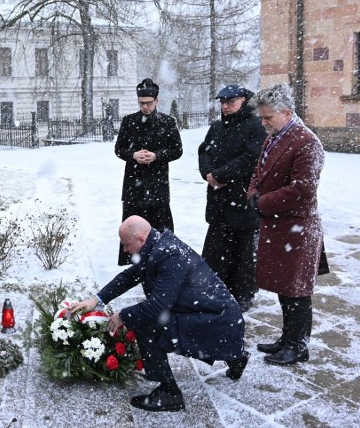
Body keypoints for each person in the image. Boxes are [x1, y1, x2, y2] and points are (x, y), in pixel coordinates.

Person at [71, 216, 249, 412]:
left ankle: (169, 393)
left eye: (126, 244)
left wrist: (123, 316)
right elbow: (129, 276)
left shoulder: (168, 254)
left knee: (146, 323)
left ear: (140, 239)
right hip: (217, 316)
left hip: (219, 319)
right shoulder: (156, 245)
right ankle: (235, 356)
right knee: (147, 316)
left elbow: (157, 307)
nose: (125, 250)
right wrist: (97, 299)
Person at [247, 83, 327, 366]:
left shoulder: (307, 142)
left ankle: (298, 346)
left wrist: (262, 202)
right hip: (278, 226)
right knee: (285, 288)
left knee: (298, 290)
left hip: (298, 228)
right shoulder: (274, 136)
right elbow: (258, 172)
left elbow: (302, 190)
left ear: (287, 112)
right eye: (262, 117)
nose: (263, 122)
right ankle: (287, 338)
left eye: (268, 117)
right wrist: (253, 194)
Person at [198, 84, 266, 312]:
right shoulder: (217, 127)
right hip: (218, 200)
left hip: (241, 198)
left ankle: (243, 293)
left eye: (231, 102)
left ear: (244, 101)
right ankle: (216, 288)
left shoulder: (255, 126)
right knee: (216, 250)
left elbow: (251, 158)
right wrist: (208, 174)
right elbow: (204, 151)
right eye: (223, 102)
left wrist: (221, 175)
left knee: (243, 252)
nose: (226, 106)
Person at [114, 78, 182, 265]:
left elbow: (177, 150)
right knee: (133, 225)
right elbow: (119, 149)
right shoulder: (129, 122)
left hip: (157, 183)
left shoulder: (167, 122)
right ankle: (134, 262)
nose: (145, 107)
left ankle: (162, 260)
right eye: (142, 103)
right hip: (133, 184)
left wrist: (157, 156)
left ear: (156, 101)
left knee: (159, 225)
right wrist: (133, 155)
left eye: (149, 103)